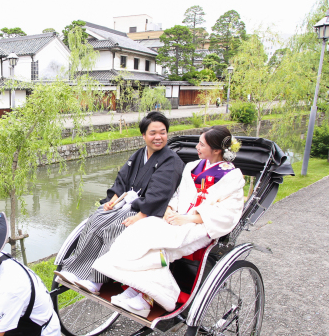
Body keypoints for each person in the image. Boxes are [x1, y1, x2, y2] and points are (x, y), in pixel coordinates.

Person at [93, 126, 245, 316]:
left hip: (201, 225)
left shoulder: (232, 177)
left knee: (156, 247)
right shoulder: (192, 167)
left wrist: (188, 218)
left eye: (201, 144)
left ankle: (150, 297)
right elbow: (178, 195)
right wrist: (170, 209)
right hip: (177, 217)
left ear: (216, 150)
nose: (197, 147)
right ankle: (137, 288)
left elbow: (227, 213)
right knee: (139, 229)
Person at [56, 111, 184, 294]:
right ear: (143, 135)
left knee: (115, 228)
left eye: (162, 132)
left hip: (149, 212)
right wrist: (113, 200)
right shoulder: (139, 155)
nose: (158, 137)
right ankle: (75, 270)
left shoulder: (171, 161)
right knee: (97, 218)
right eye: (153, 133)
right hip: (127, 205)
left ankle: (97, 280)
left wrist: (141, 215)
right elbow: (122, 180)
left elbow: (160, 194)